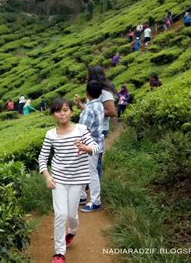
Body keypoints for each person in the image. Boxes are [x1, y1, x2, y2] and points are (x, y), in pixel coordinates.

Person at [38, 98, 100, 262]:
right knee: (60, 214)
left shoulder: (81, 129)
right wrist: (47, 176)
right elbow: (42, 158)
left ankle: (72, 231)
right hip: (58, 178)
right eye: (58, 111)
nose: (62, 113)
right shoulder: (50, 134)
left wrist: (86, 148)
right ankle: (59, 252)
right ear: (53, 114)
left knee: (71, 215)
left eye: (65, 110)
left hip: (77, 179)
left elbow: (96, 147)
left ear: (71, 112)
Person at [79, 66, 116, 180]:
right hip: (93, 126)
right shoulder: (94, 89)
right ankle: (90, 185)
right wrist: (82, 107)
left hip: (100, 128)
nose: (86, 77)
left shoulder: (104, 92)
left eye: (88, 75)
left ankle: (95, 185)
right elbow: (93, 108)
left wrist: (94, 112)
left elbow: (111, 111)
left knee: (96, 158)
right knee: (90, 159)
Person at [75, 81, 104, 213]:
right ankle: (81, 197)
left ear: (87, 93)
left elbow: (81, 130)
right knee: (84, 170)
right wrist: (82, 106)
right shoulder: (99, 105)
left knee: (91, 173)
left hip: (88, 145)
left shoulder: (89, 109)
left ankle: (95, 201)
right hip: (97, 143)